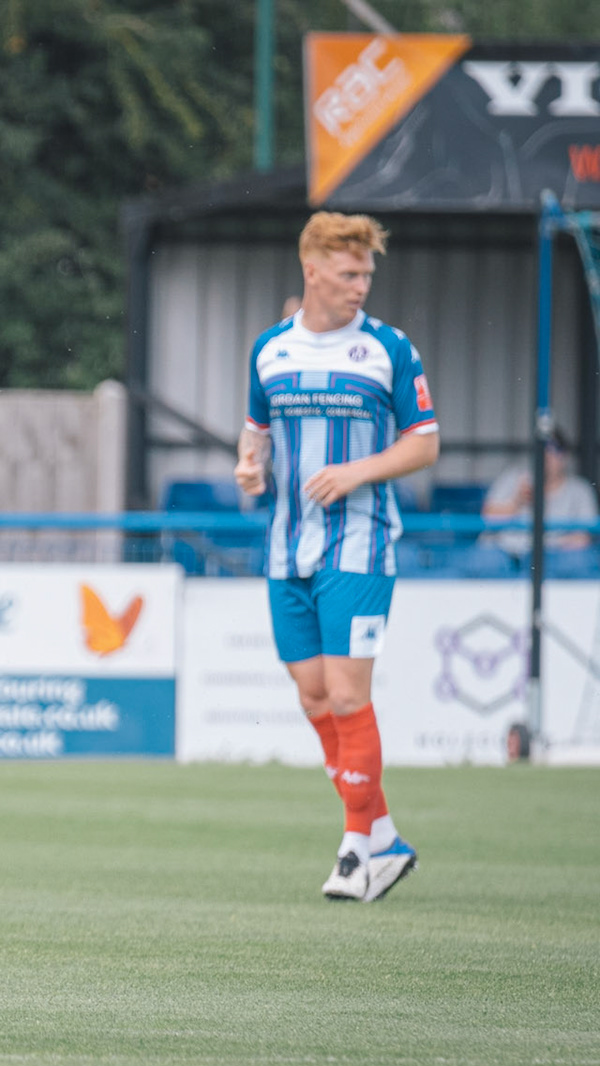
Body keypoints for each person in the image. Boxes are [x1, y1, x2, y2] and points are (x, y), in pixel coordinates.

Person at [234, 212, 438, 904]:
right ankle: (384, 834)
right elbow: (256, 430)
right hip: (288, 547)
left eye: (367, 275)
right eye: (350, 274)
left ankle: (356, 848)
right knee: (314, 695)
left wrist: (356, 472)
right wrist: (248, 465)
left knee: (349, 695)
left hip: (360, 543)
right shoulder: (270, 350)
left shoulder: (387, 349)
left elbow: (424, 443)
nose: (361, 286)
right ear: (312, 270)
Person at [479, 429, 597, 560]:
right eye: (543, 449)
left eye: (554, 450)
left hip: (554, 558)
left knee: (575, 561)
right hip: (505, 554)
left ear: (565, 456)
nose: (547, 456)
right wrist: (517, 502)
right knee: (484, 559)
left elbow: (583, 537)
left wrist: (549, 547)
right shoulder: (513, 478)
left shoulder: (579, 489)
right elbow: (488, 519)